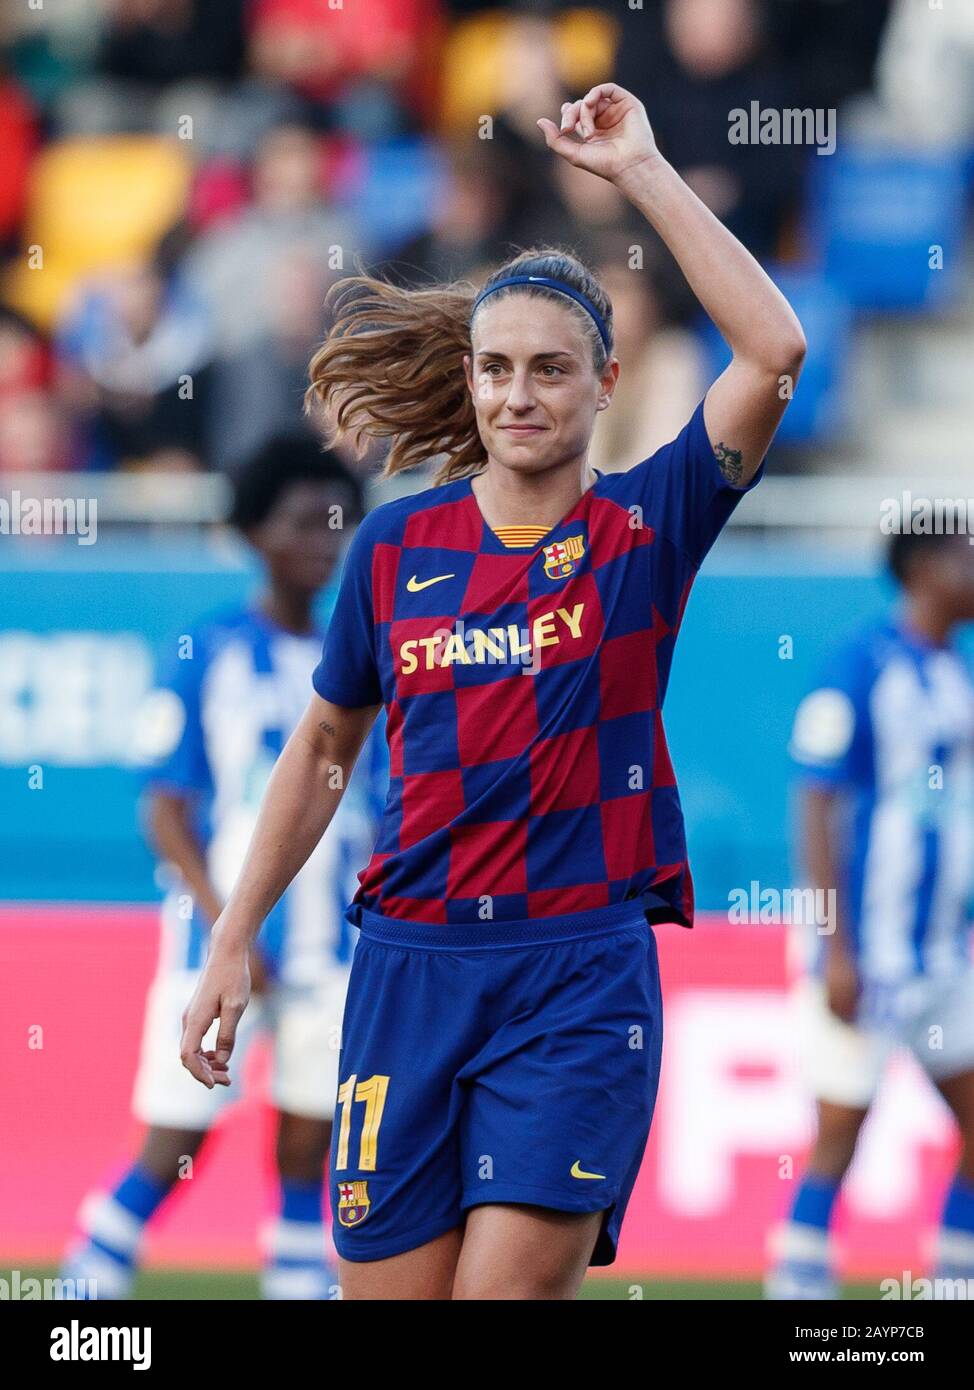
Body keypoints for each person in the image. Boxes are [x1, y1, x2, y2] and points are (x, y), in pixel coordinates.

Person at [180, 82, 806, 1300]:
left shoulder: (644, 529)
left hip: (575, 978)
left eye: (549, 370)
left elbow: (773, 351)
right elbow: (322, 749)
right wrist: (232, 932)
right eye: (495, 369)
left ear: (604, 381)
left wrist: (639, 170)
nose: (519, 394)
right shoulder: (394, 549)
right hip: (404, 970)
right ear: (467, 383)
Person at [62, 435, 384, 1299]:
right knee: (180, 1130)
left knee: (315, 1133)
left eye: (336, 522)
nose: (322, 540)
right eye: (300, 522)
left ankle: (294, 1277)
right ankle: (91, 1276)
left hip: (333, 950)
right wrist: (224, 929)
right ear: (251, 532)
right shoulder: (208, 649)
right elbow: (165, 806)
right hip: (217, 947)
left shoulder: (362, 660)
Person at [767, 528, 974, 1300]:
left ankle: (956, 1284)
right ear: (924, 569)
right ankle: (800, 1293)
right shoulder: (861, 664)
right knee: (839, 1134)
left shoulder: (952, 671)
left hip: (941, 954)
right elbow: (816, 800)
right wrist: (837, 947)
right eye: (968, 556)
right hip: (868, 950)